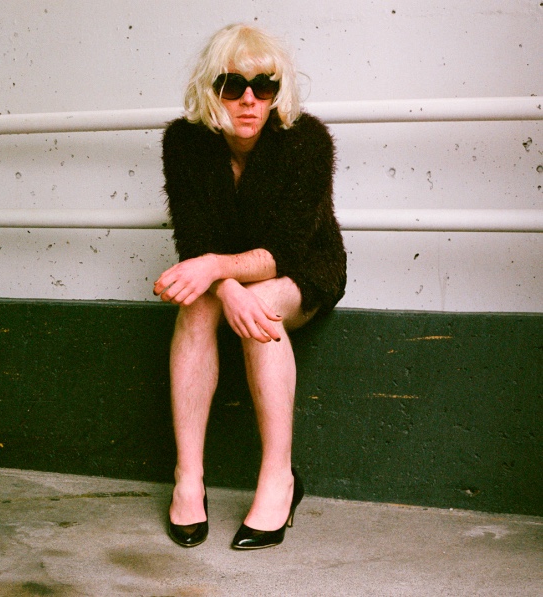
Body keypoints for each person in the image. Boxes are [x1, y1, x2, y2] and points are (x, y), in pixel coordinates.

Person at [153, 23, 347, 550]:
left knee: (261, 305)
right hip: (225, 274)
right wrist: (225, 285)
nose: (248, 99)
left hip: (305, 268)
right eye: (232, 84)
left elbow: (284, 251)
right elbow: (195, 240)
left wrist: (219, 272)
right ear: (210, 89)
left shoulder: (306, 141)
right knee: (195, 309)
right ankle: (188, 478)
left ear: (277, 93)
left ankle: (279, 478)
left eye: (264, 86)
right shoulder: (185, 142)